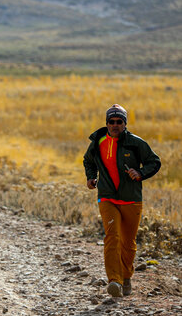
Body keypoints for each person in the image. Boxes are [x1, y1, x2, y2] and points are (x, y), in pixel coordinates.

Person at [84, 104, 160, 298]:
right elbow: (88, 160)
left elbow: (154, 161)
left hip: (131, 199)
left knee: (128, 243)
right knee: (112, 237)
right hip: (107, 197)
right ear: (107, 123)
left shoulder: (136, 143)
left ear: (125, 123)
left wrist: (140, 173)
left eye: (119, 122)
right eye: (112, 122)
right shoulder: (98, 141)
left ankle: (126, 277)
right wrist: (91, 177)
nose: (115, 125)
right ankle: (114, 281)